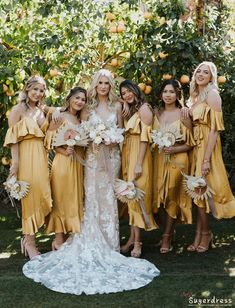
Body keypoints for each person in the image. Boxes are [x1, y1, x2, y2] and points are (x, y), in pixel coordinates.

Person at [22, 69, 159, 295]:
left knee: (109, 199)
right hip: (93, 159)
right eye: (100, 82)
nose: (103, 86)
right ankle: (89, 238)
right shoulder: (87, 107)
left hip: (112, 158)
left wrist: (112, 138)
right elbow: (78, 127)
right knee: (92, 197)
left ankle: (111, 244)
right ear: (95, 85)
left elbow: (123, 132)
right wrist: (59, 113)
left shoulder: (118, 106)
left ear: (111, 85)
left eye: (107, 83)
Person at [184, 61, 235, 252]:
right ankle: (199, 234)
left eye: (206, 72)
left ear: (212, 77)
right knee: (197, 192)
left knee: (202, 189)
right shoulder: (195, 96)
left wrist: (206, 159)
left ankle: (206, 234)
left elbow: (215, 130)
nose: (201, 74)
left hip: (207, 146)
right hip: (196, 145)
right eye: (199, 70)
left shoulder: (213, 95)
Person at [4, 76, 52, 259]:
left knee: (42, 194)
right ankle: (30, 242)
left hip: (41, 156)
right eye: (35, 89)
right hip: (25, 157)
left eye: (41, 90)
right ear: (27, 90)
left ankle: (29, 239)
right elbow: (13, 139)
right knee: (30, 198)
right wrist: (15, 163)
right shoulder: (17, 110)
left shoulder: (41, 110)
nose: (38, 93)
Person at [152, 79, 194, 253]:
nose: (168, 95)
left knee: (171, 195)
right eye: (165, 92)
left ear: (177, 94)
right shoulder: (156, 113)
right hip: (159, 159)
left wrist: (174, 148)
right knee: (157, 197)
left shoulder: (183, 114)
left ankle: (167, 237)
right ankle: (169, 230)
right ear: (161, 94)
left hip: (178, 160)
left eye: (171, 92)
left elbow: (191, 143)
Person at [45, 87, 86, 250]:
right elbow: (49, 141)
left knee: (73, 199)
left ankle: (70, 236)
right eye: (77, 98)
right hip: (62, 163)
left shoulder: (82, 120)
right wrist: (64, 150)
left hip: (77, 164)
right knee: (60, 199)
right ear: (69, 99)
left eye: (83, 99)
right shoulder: (60, 116)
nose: (79, 102)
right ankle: (58, 239)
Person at [120, 79, 157, 258]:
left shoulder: (144, 108)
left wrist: (138, 163)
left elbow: (145, 138)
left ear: (136, 90)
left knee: (137, 195)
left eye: (128, 91)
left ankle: (137, 243)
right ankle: (131, 240)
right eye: (123, 93)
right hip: (128, 152)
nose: (126, 95)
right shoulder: (130, 110)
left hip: (139, 154)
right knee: (130, 196)